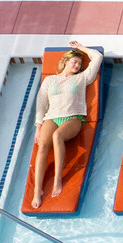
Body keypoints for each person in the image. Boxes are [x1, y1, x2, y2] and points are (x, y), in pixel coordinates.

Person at [28, 41, 101, 209]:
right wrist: (38, 126)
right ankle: (37, 190)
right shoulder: (50, 80)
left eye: (80, 63)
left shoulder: (82, 78)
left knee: (57, 136)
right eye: (74, 62)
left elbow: (97, 56)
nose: (77, 65)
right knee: (43, 145)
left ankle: (57, 179)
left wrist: (81, 48)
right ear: (65, 62)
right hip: (51, 117)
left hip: (73, 117)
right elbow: (41, 103)